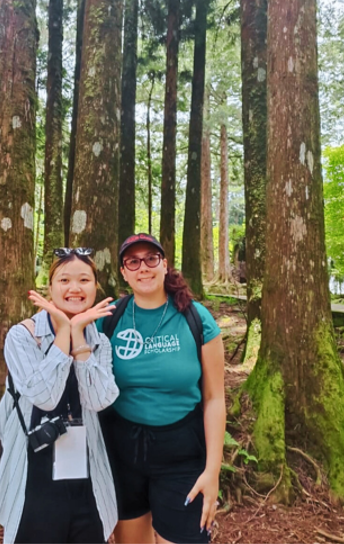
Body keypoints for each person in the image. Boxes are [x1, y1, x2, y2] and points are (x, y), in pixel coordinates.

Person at [97, 233, 225, 544]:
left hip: (182, 453)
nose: (143, 267)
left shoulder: (197, 318)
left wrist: (212, 472)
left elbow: (214, 398)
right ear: (124, 273)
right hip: (122, 451)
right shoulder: (110, 319)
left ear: (164, 265)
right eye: (133, 261)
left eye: (151, 259)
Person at [0, 248, 119, 544]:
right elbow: (44, 396)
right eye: (64, 280)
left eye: (84, 280)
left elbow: (100, 400)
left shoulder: (99, 342)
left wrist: (80, 339)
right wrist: (64, 332)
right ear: (50, 288)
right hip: (32, 477)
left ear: (95, 286)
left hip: (87, 480)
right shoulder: (23, 336)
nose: (74, 288)